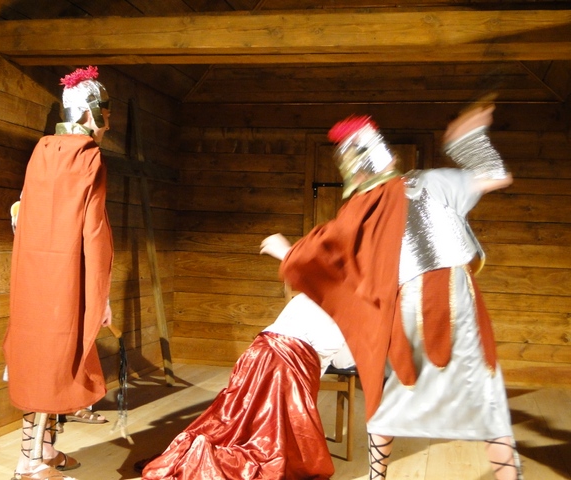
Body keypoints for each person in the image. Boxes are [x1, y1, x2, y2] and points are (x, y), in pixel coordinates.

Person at [260, 102, 523, 480]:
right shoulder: (430, 182)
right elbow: (496, 176)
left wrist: (287, 252)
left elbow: (325, 252)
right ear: (389, 157)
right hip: (460, 295)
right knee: (484, 393)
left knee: (389, 388)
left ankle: (377, 476)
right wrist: (467, 139)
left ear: (353, 171)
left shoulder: (362, 208)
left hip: (409, 302)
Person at [4, 65, 114, 480]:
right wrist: (100, 293)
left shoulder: (42, 150)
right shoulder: (88, 156)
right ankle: (29, 462)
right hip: (66, 274)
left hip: (34, 271)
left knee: (43, 355)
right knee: (53, 361)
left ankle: (46, 448)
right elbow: (94, 230)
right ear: (89, 113)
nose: (107, 124)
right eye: (105, 115)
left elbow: (20, 211)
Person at [138, 292, 355, 480]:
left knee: (235, 415)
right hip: (286, 367)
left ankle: (216, 443)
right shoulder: (352, 312)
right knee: (276, 432)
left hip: (255, 353)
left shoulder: (306, 295)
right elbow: (344, 363)